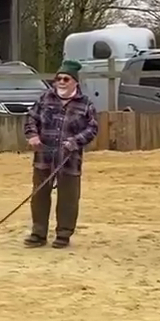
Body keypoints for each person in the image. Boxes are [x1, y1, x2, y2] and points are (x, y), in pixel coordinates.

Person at [23, 59, 100, 248]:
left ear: (75, 82)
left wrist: (75, 141)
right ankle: (38, 233)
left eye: (66, 79)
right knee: (39, 195)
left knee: (68, 198)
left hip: (70, 158)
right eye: (59, 79)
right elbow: (31, 118)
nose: (61, 82)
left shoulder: (85, 104)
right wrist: (32, 135)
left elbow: (92, 128)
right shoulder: (44, 99)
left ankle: (63, 234)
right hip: (44, 156)